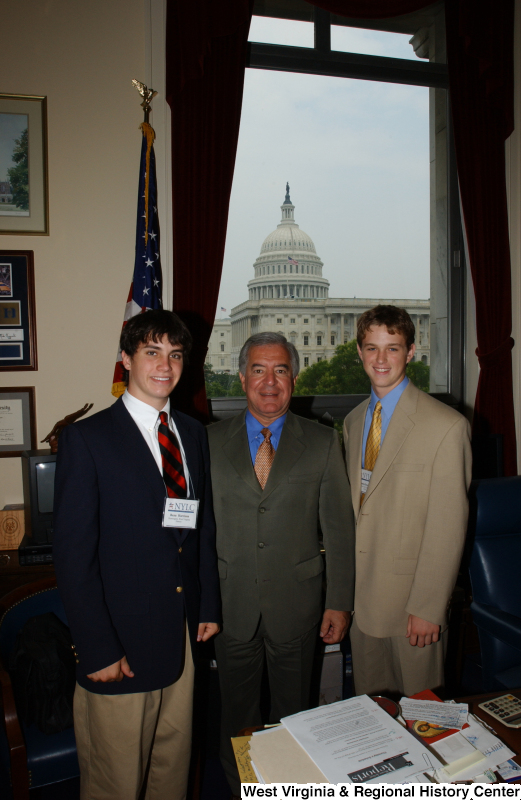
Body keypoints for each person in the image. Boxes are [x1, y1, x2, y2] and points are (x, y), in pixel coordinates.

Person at [53, 309, 220, 800]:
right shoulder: (88, 439)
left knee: (172, 770)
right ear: (126, 359)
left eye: (175, 354)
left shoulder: (191, 433)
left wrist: (206, 604)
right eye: (152, 352)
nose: (164, 365)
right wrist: (97, 647)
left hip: (183, 638)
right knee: (116, 783)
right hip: (120, 647)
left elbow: (198, 527)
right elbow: (73, 556)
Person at [207, 331, 355, 797]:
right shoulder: (206, 441)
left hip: (299, 604)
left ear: (294, 376)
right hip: (229, 607)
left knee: (297, 714)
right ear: (241, 377)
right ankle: (244, 788)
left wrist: (340, 603)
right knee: (237, 716)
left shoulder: (323, 442)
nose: (269, 382)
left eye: (280, 370)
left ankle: (292, 787)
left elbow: (340, 531)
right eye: (258, 369)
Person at [343, 305, 472, 698]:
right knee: (373, 714)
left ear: (411, 351)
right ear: (359, 352)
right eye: (372, 348)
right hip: (363, 604)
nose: (381, 359)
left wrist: (430, 606)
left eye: (393, 348)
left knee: (425, 721)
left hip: (412, 608)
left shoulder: (446, 426)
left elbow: (448, 525)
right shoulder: (352, 422)